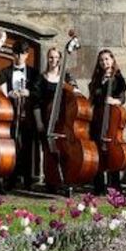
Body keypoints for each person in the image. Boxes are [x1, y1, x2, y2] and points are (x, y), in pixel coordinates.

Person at [32, 47, 79, 193]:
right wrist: (39, 122)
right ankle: (52, 182)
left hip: (64, 121)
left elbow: (76, 93)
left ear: (60, 59)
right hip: (48, 120)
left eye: (56, 57)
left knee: (66, 152)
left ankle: (67, 181)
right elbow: (36, 102)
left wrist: (68, 87)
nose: (54, 60)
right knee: (49, 152)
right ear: (48, 59)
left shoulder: (67, 77)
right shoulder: (41, 78)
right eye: (51, 57)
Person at [0, 40, 37, 191]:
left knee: (27, 148)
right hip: (11, 115)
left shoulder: (33, 73)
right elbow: (2, 93)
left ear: (27, 55)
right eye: (16, 53)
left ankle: (28, 181)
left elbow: (38, 93)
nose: (19, 56)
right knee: (12, 147)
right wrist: (10, 93)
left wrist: (28, 92)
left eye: (22, 53)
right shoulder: (5, 72)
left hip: (28, 115)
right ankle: (11, 180)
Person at [89, 49, 126, 195]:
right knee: (97, 152)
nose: (104, 62)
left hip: (111, 118)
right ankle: (98, 186)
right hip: (98, 117)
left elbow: (122, 98)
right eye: (101, 60)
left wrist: (114, 101)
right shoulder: (97, 78)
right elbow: (92, 97)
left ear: (112, 60)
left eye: (107, 59)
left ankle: (115, 185)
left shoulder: (118, 78)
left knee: (112, 152)